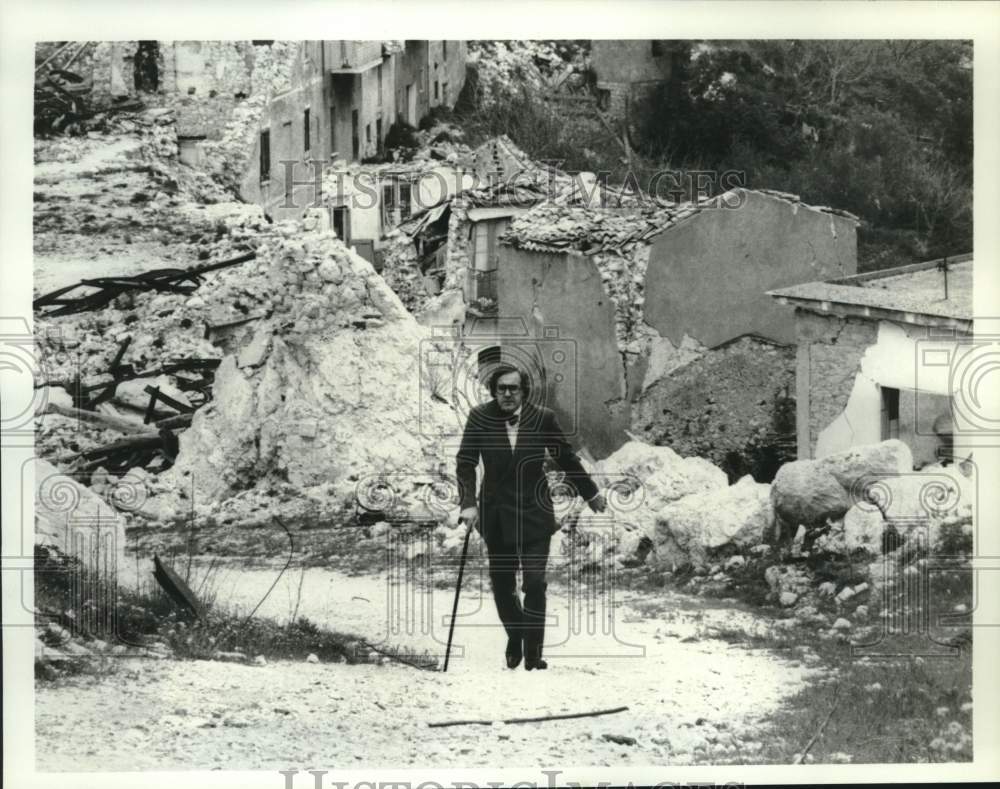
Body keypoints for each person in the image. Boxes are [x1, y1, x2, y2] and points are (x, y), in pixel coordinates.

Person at [455, 363, 606, 671]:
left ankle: (534, 654)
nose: (507, 394)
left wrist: (590, 492)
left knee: (535, 583)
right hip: (496, 515)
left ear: (524, 391)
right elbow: (465, 462)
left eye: (513, 388)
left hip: (534, 514)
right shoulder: (480, 417)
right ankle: (516, 634)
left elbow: (565, 457)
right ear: (494, 391)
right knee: (502, 586)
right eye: (501, 389)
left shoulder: (543, 418)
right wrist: (468, 503)